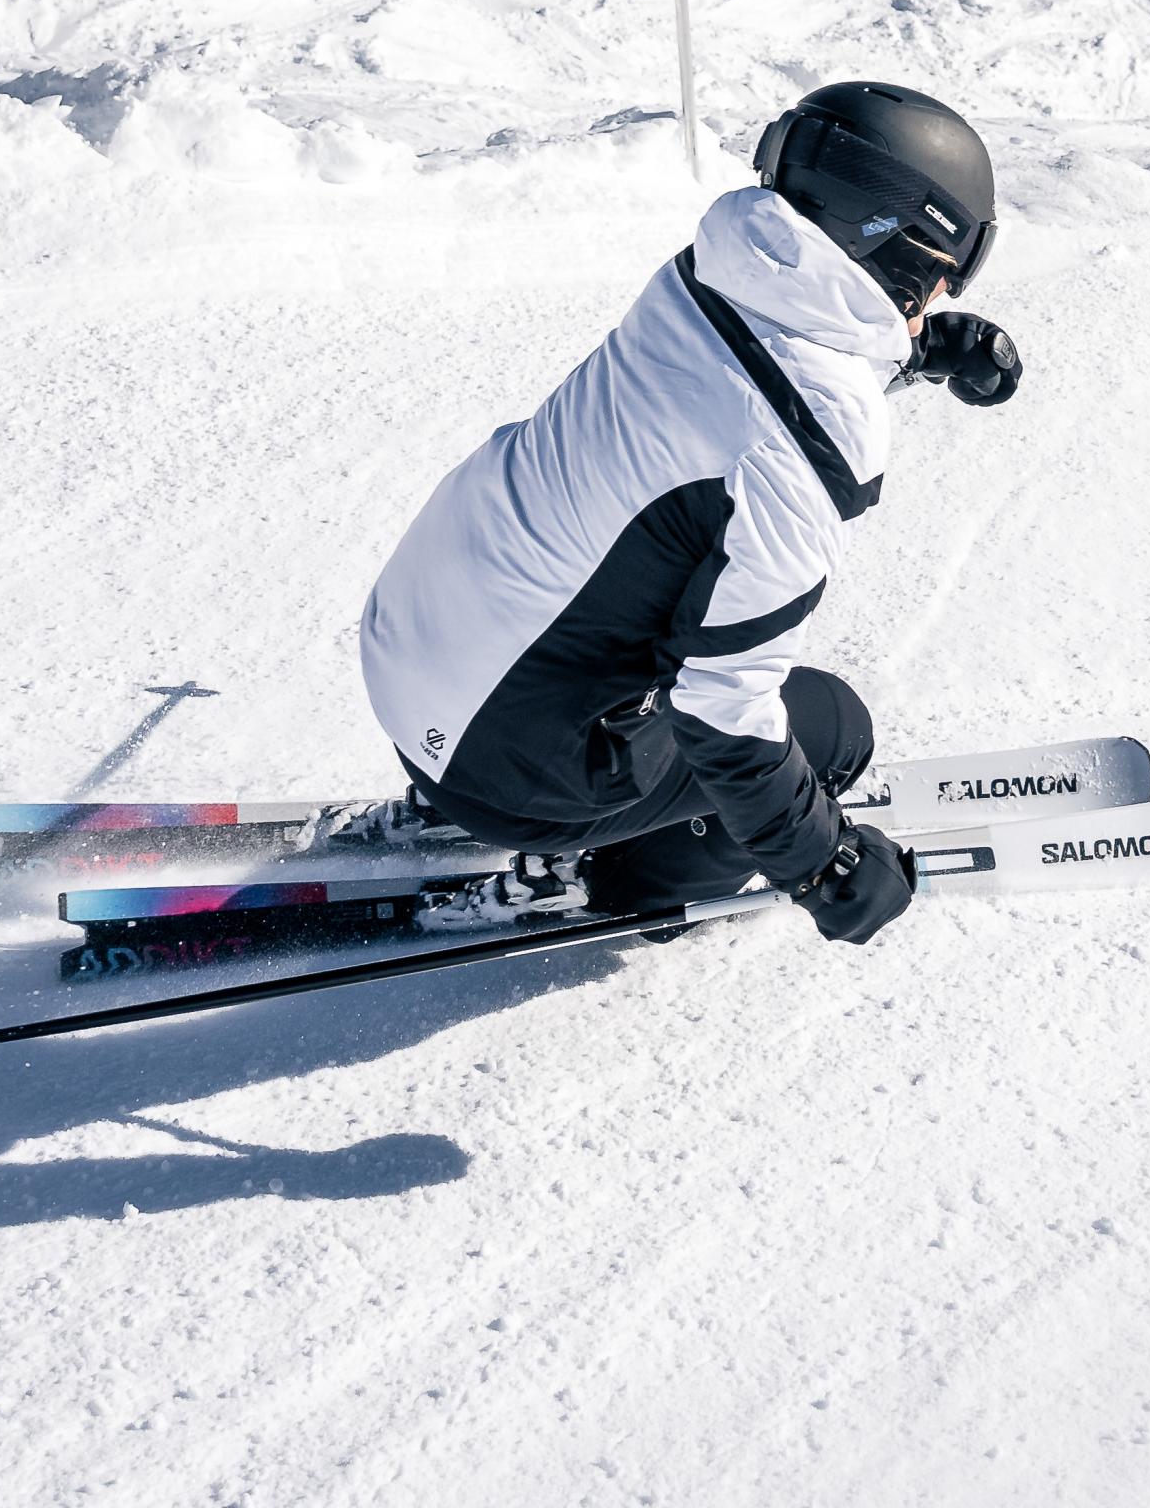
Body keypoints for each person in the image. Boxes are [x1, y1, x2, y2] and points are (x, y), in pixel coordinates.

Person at [355, 84, 1020, 947]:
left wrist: (918, 348)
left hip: (417, 649)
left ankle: (466, 784)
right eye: (943, 272)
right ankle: (615, 881)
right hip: (512, 770)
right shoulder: (797, 454)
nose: (940, 291)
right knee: (831, 729)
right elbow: (722, 710)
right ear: (894, 246)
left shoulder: (712, 269)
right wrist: (823, 863)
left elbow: (759, 379)